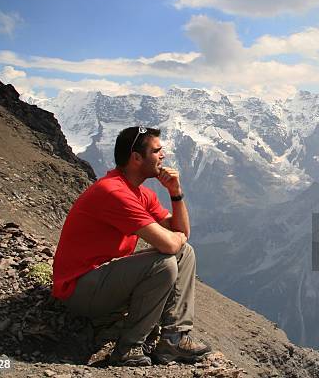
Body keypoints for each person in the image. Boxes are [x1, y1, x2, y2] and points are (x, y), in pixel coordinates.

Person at [52, 126, 211, 367]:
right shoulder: (114, 192)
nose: (163, 156)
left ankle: (174, 339)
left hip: (106, 280)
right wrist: (177, 238)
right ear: (136, 158)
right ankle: (128, 349)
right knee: (164, 263)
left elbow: (182, 234)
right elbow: (170, 242)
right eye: (157, 151)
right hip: (80, 289)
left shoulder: (140, 193)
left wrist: (176, 193)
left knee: (184, 253)